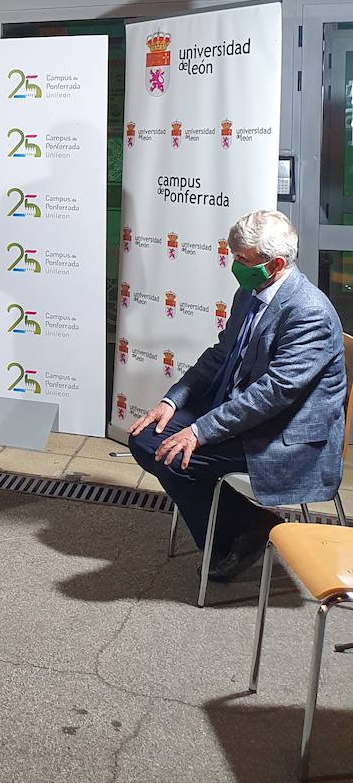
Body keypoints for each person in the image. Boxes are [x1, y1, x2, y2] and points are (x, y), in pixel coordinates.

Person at [128, 210, 347, 581]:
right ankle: (251, 524)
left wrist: (198, 431)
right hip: (243, 412)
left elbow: (272, 394)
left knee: (172, 456)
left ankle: (231, 538)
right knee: (145, 438)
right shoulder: (250, 292)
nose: (234, 266)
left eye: (243, 260)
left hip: (285, 434)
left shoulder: (309, 312)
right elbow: (221, 354)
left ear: (276, 264)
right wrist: (172, 401)